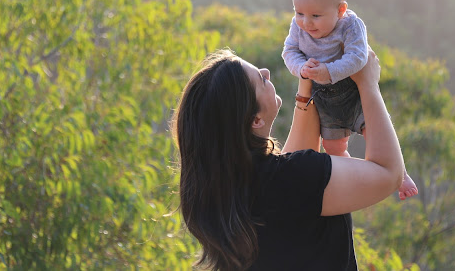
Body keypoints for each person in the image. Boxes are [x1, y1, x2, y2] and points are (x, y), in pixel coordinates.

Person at [172, 47, 406, 270]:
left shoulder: (232, 189)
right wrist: (368, 84)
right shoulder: (288, 178)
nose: (266, 73)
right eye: (261, 80)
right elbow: (388, 173)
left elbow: (296, 181)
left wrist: (307, 91)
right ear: (255, 121)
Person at [282, 0, 418, 200]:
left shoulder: (351, 25)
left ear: (341, 10)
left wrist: (329, 71)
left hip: (353, 92)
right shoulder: (299, 26)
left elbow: (358, 57)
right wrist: (301, 68)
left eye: (315, 15)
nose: (306, 22)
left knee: (373, 132)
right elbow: (289, 51)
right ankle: (353, 179)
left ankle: (400, 173)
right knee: (334, 148)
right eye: (299, 13)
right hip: (325, 100)